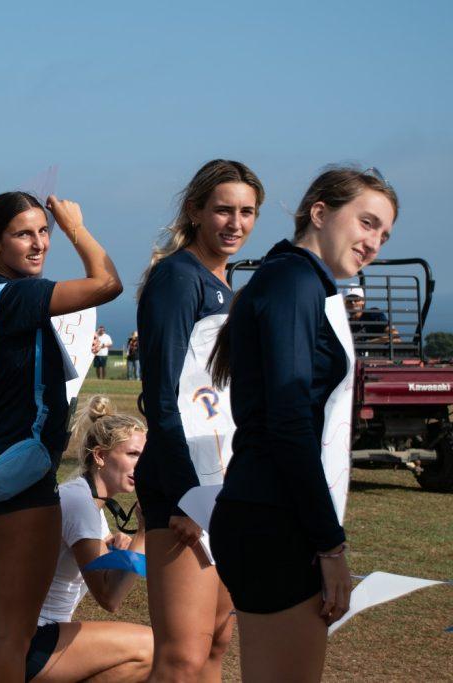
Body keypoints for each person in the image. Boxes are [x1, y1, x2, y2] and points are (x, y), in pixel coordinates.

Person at [208, 166, 397, 681]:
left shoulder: (293, 279)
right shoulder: (294, 281)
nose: (374, 242)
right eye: (367, 222)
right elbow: (289, 420)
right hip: (273, 519)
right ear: (320, 212)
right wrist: (330, 545)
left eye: (384, 233)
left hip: (265, 510)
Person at [0, 191, 122, 682]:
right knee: (13, 628)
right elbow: (107, 283)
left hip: (4, 462)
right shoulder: (20, 295)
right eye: (24, 233)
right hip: (24, 472)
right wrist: (74, 226)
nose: (39, 243)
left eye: (44, 231)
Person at [135, 159, 263, 682]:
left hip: (223, 479)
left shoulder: (226, 284)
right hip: (183, 485)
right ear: (195, 211)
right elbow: (161, 395)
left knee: (218, 639)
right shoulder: (177, 277)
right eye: (223, 210)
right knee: (182, 655)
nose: (235, 223)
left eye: (247, 212)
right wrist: (188, 495)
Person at [26, 397, 152, 682]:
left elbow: (101, 544)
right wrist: (142, 534)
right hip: (33, 641)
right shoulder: (81, 504)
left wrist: (117, 542)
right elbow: (109, 597)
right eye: (132, 455)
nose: (140, 466)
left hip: (34, 636)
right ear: (100, 456)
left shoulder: (84, 496)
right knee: (151, 648)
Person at [344, 286, 400, 351]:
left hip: (379, 356)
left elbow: (394, 336)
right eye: (349, 300)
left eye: (356, 299)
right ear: (344, 303)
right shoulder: (345, 324)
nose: (353, 302)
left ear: (363, 301)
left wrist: (366, 344)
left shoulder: (373, 314)